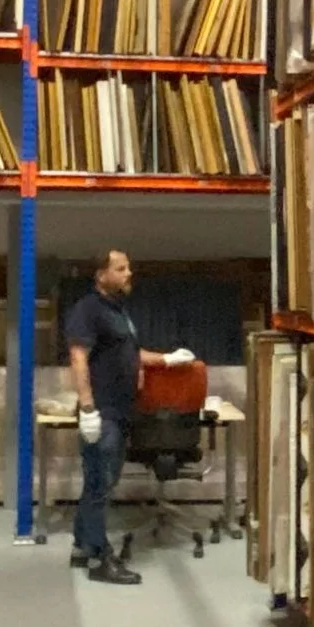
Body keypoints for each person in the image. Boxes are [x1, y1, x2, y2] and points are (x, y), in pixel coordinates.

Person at [64, 249, 196, 586]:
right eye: (120, 269)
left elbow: (130, 354)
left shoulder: (117, 311)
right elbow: (79, 358)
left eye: (128, 268)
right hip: (103, 412)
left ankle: (81, 546)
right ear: (101, 275)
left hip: (120, 411)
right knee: (99, 484)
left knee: (100, 482)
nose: (128, 274)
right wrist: (88, 408)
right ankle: (100, 558)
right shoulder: (88, 310)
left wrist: (167, 359)